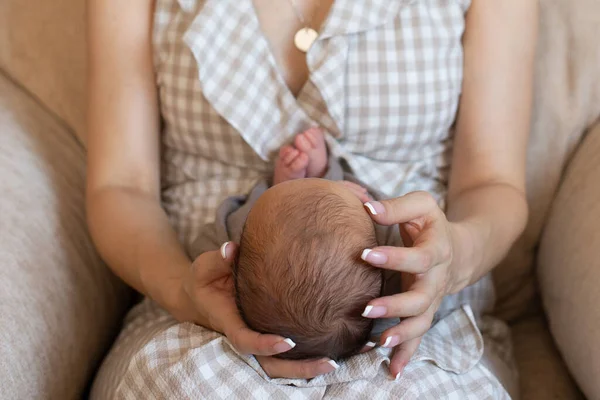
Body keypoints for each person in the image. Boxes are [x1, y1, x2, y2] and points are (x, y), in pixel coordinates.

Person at [86, 0, 538, 398]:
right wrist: (185, 292)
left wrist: (452, 258)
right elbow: (120, 186)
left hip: (420, 325)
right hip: (192, 306)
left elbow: (493, 185)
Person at [190, 127, 402, 361]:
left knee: (262, 223)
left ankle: (291, 189)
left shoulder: (233, 239)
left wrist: (285, 190)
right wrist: (332, 177)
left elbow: (201, 255)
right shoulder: (390, 253)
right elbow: (399, 231)